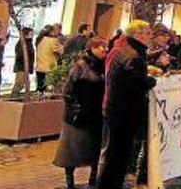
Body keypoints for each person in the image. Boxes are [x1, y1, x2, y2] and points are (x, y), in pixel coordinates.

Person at [97, 20, 157, 189]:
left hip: (116, 108)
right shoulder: (133, 55)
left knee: (115, 154)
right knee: (119, 155)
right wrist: (151, 81)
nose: (150, 36)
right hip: (124, 111)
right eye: (147, 33)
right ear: (138, 35)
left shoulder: (124, 50)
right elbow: (134, 83)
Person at [53, 37, 107, 189]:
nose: (103, 49)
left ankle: (93, 179)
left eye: (104, 46)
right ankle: (70, 182)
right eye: (99, 46)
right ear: (91, 48)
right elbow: (68, 90)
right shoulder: (80, 66)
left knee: (95, 149)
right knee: (72, 150)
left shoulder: (104, 66)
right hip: (78, 116)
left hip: (97, 115)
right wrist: (75, 109)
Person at [35, 24, 63, 92]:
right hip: (49, 68)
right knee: (48, 90)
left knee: (40, 88)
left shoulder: (39, 40)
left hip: (39, 67)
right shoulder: (53, 40)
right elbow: (60, 52)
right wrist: (62, 47)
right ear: (51, 32)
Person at [11, 27, 35, 98]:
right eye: (31, 34)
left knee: (23, 83)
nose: (32, 35)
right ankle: (13, 98)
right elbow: (20, 56)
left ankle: (16, 97)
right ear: (25, 35)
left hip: (25, 67)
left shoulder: (29, 43)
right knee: (19, 84)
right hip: (21, 67)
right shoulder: (22, 44)